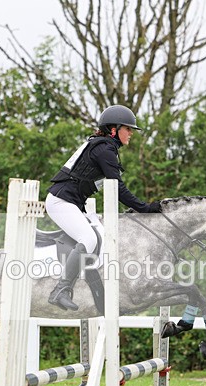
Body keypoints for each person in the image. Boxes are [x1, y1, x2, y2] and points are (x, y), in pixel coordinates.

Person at [45, 104, 162, 311]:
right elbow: (118, 189)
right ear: (114, 130)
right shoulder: (104, 150)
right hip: (61, 201)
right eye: (128, 129)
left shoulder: (103, 147)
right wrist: (145, 209)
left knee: (98, 235)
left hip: (72, 202)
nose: (131, 134)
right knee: (88, 239)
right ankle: (60, 290)